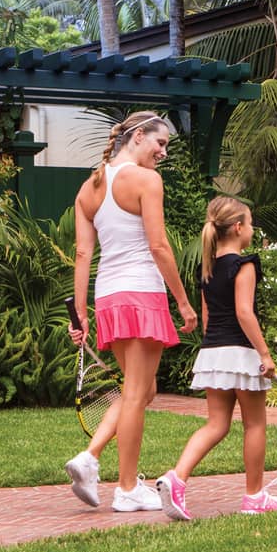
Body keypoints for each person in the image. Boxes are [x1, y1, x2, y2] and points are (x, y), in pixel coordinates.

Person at [64, 111, 197, 511]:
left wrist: (81, 314)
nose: (163, 153)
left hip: (108, 297)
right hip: (141, 292)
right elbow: (159, 246)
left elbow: (83, 253)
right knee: (138, 394)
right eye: (160, 143)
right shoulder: (146, 181)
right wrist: (184, 301)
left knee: (142, 389)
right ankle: (125, 489)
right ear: (138, 136)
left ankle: (90, 458)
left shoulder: (89, 187)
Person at [155, 196, 277, 520]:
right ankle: (254, 497)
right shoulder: (244, 265)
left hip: (213, 353)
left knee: (216, 424)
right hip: (241, 353)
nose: (252, 229)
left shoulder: (208, 269)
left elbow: (206, 318)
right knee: (255, 424)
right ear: (238, 227)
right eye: (250, 223)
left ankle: (177, 477)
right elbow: (244, 312)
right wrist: (264, 353)